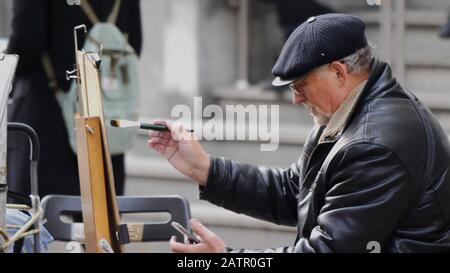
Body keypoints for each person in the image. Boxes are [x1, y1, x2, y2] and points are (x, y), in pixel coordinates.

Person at [148, 13, 450, 253]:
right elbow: (296, 192)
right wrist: (206, 169)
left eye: (300, 86)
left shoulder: (375, 144)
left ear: (338, 72)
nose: (296, 98)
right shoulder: (349, 113)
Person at [6, 0, 142, 198]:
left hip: (45, 119)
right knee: (100, 218)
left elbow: (26, 44)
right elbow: (134, 44)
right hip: (103, 118)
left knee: (37, 218)